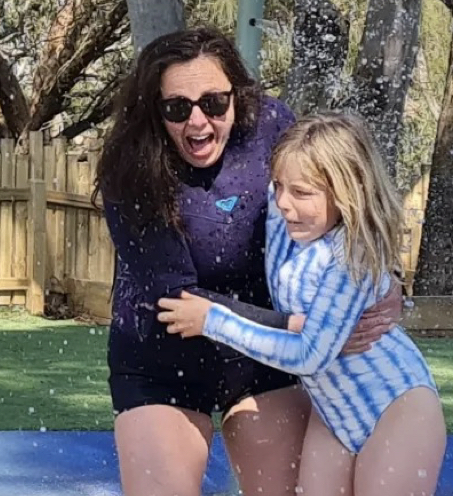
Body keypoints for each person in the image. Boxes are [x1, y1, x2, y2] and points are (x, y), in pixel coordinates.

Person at [95, 27, 401, 496]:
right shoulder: (129, 168)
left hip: (261, 353)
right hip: (161, 353)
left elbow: (342, 209)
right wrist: (300, 324)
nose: (198, 122)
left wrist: (387, 282)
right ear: (156, 113)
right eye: (177, 108)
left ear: (237, 94)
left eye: (214, 103)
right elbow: (179, 301)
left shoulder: (272, 127)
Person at [158, 113, 445, 496]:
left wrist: (214, 321)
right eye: (278, 186)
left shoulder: (352, 256)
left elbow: (310, 355)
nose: (284, 203)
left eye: (302, 193)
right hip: (333, 416)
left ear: (349, 192)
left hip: (397, 407)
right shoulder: (286, 219)